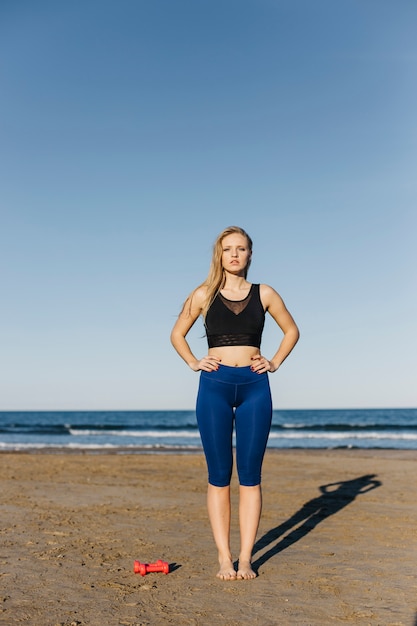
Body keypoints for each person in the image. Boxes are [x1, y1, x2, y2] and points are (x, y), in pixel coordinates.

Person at [170, 226, 299, 580]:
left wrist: (273, 361)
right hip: (214, 386)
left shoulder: (265, 293)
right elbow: (176, 335)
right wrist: (194, 361)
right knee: (219, 476)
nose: (235, 255)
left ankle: (245, 559)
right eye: (228, 249)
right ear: (220, 255)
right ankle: (224, 558)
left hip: (256, 386)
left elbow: (292, 331)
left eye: (241, 249)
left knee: (251, 477)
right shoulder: (203, 294)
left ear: (250, 254)